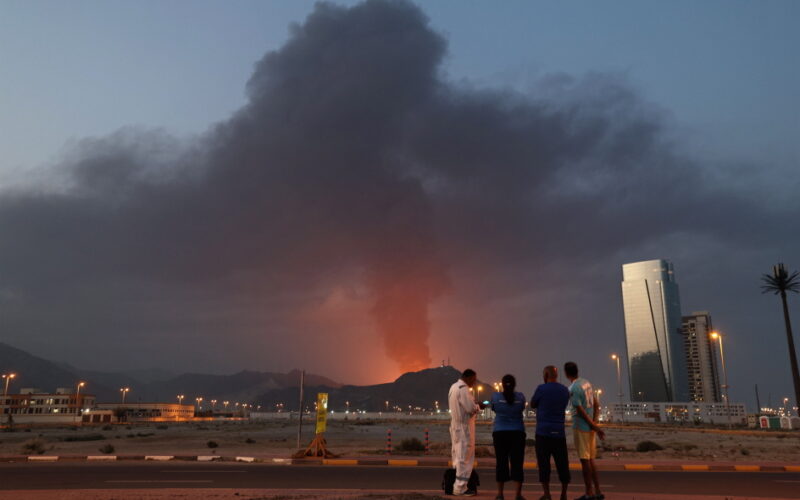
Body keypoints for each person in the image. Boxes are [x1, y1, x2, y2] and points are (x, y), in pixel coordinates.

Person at [564, 361, 605, 500]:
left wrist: (593, 425)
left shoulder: (573, 388)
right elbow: (596, 404)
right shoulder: (586, 383)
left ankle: (589, 493)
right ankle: (597, 491)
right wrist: (594, 424)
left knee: (584, 461)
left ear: (566, 373)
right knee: (591, 459)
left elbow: (580, 410)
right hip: (590, 428)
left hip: (581, 428)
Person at [530, 365, 570, 500]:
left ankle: (547, 495)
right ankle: (563, 494)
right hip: (559, 433)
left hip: (543, 433)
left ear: (546, 375)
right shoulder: (564, 390)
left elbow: (533, 404)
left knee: (544, 465)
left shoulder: (541, 389)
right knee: (563, 465)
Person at [448, 368, 485, 496]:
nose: (473, 383)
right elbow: (470, 408)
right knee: (465, 457)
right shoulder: (463, 389)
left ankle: (457, 484)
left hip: (455, 426)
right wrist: (479, 406)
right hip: (464, 428)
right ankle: (460, 488)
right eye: (473, 380)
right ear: (468, 378)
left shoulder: (453, 387)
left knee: (458, 456)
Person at [490, 374, 526, 500]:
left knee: (501, 463)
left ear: (502, 385)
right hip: (517, 433)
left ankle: (500, 494)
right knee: (517, 463)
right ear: (514, 384)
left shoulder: (495, 396)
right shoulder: (520, 397)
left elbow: (494, 408)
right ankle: (518, 495)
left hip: (500, 433)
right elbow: (522, 408)